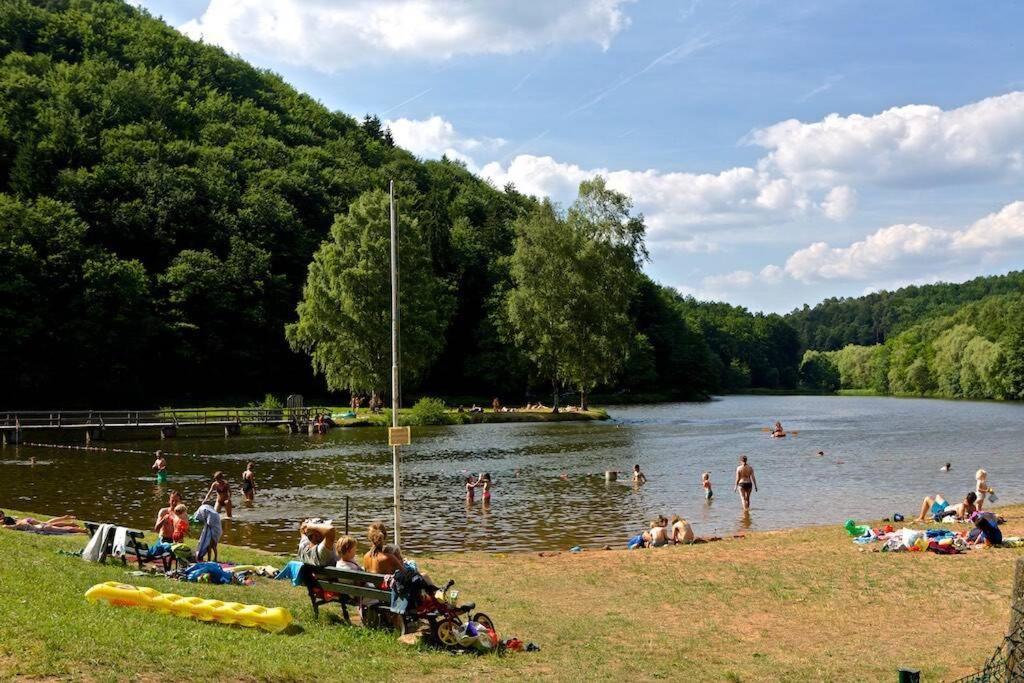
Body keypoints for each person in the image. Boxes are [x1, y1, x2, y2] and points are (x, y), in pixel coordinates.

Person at [1, 511, 86, 534]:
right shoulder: (13, 519)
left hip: (38, 527)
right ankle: (66, 520)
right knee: (48, 523)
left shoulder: (14, 525)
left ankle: (83, 530)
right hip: (28, 520)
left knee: (65, 530)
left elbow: (5, 526)